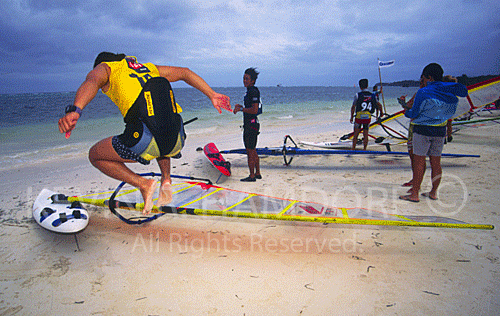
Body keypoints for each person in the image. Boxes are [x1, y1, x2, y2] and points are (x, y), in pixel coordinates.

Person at [58, 52, 231, 214]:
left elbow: (92, 81)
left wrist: (76, 110)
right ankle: (166, 180)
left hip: (144, 140)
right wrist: (212, 94)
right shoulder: (148, 68)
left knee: (95, 155)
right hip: (177, 138)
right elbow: (185, 72)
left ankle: (143, 184)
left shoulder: (106, 67)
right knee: (157, 119)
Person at [399, 63, 467, 202]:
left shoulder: (423, 92)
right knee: (436, 163)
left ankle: (415, 194)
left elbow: (413, 113)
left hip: (422, 130)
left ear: (429, 77)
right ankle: (433, 192)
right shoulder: (450, 91)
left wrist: (406, 110)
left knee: (419, 161)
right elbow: (450, 113)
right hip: (440, 131)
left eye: (423, 78)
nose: (422, 81)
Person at [233, 68, 262, 182]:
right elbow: (250, 107)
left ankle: (251, 176)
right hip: (251, 124)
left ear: (253, 80)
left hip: (251, 125)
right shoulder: (250, 91)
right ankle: (258, 173)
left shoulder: (253, 91)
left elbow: (254, 110)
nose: (244, 80)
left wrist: (241, 109)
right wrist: (241, 107)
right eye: (244, 78)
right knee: (253, 149)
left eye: (247, 79)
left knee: (249, 150)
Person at [350, 79, 383, 150]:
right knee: (365, 134)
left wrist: (351, 117)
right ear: (367, 85)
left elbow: (353, 107)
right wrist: (381, 113)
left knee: (356, 134)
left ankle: (353, 148)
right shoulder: (372, 95)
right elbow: (379, 105)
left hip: (359, 117)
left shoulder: (357, 95)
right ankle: (364, 149)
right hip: (367, 117)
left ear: (360, 86)